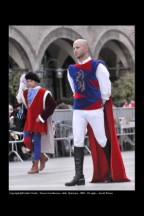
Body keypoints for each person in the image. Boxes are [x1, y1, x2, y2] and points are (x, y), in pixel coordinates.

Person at [65, 39, 130, 186]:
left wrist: (100, 102)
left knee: (101, 139)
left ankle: (112, 171)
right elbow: (74, 88)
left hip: (95, 109)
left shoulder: (97, 66)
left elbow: (105, 87)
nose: (75, 50)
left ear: (86, 48)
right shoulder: (71, 69)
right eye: (73, 48)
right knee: (78, 140)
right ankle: (79, 176)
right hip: (78, 110)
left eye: (78, 47)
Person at [17, 71, 57, 173]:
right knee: (26, 141)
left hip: (39, 121)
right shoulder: (25, 92)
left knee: (37, 142)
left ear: (36, 81)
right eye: (27, 81)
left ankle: (35, 166)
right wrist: (21, 86)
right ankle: (42, 156)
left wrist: (42, 117)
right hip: (29, 121)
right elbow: (19, 100)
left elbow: (52, 105)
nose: (29, 83)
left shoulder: (44, 92)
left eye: (30, 81)